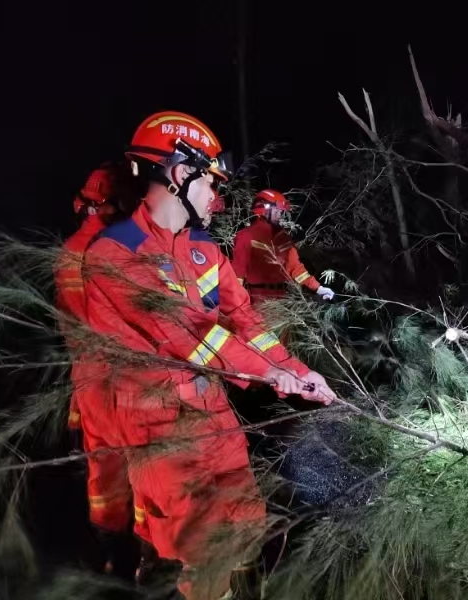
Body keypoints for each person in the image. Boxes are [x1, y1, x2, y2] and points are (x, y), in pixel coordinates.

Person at [81, 111, 336, 599]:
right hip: (159, 424)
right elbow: (192, 334)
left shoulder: (203, 251)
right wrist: (271, 375)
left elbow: (247, 324)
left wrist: (301, 371)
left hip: (212, 411)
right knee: (201, 548)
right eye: (211, 182)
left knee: (244, 523)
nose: (216, 198)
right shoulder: (115, 255)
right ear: (179, 175)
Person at [54, 164, 147, 577]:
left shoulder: (69, 252)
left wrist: (76, 409)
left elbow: (72, 334)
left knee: (104, 469)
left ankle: (115, 557)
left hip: (91, 380)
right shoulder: (124, 246)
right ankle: (152, 558)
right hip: (133, 376)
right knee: (147, 463)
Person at [232, 189, 334, 305]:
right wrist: (236, 302)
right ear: (264, 208)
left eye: (281, 212)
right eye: (278, 211)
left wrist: (318, 288)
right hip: (257, 300)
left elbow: (296, 269)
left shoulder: (283, 238)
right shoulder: (246, 236)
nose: (280, 215)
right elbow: (237, 274)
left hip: (282, 299)